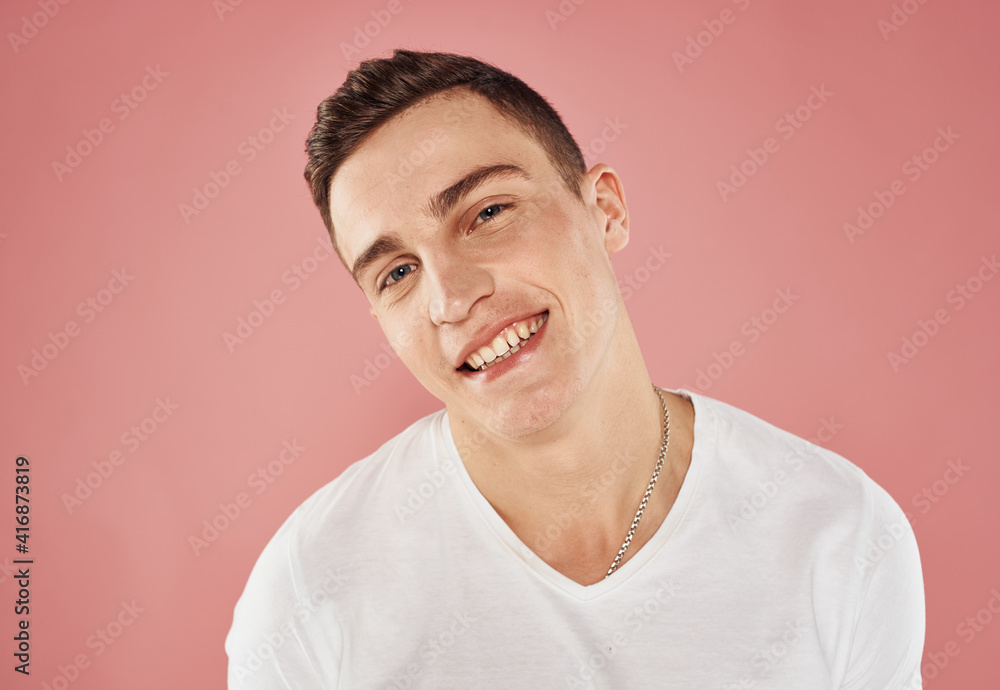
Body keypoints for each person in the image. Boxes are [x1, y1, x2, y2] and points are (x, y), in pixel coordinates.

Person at [225, 49, 925, 689]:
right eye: (398, 272)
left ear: (606, 210)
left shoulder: (841, 535)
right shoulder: (308, 596)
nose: (450, 298)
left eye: (488, 212)